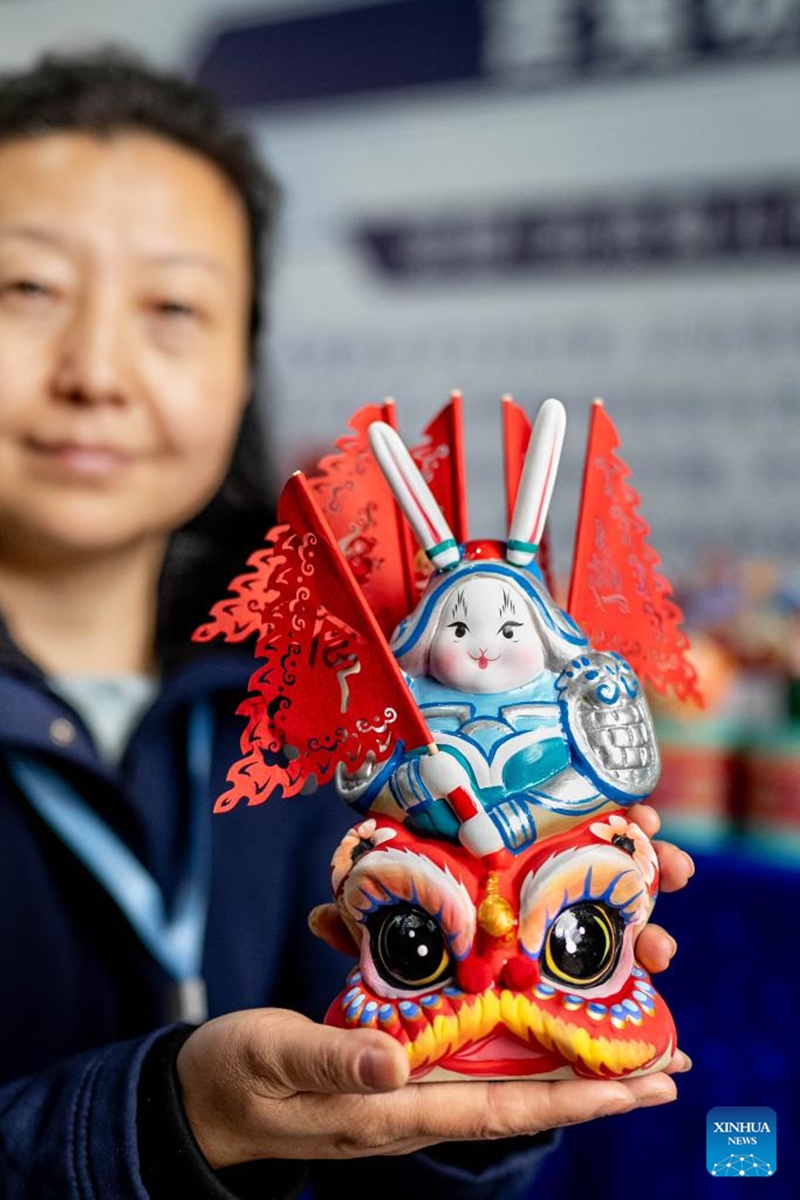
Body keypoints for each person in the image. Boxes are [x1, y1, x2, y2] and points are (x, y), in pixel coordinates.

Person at [0, 50, 694, 1199]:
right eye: (25, 289)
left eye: (173, 307)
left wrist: (465, 1117)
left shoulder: (325, 705)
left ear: (240, 369)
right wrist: (157, 1125)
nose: (98, 373)